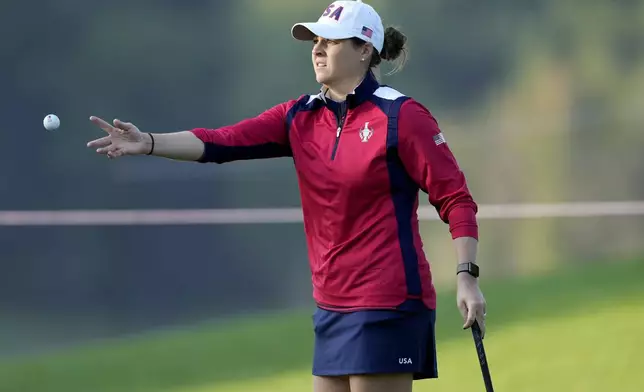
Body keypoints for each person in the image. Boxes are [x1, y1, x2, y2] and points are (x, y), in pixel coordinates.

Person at [87, 1, 487, 391]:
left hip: (387, 301)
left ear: (365, 49)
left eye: (329, 41)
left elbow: (456, 199)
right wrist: (149, 142)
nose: (317, 49)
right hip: (330, 305)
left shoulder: (402, 117)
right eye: (314, 40)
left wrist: (466, 277)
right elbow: (221, 142)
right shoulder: (299, 117)